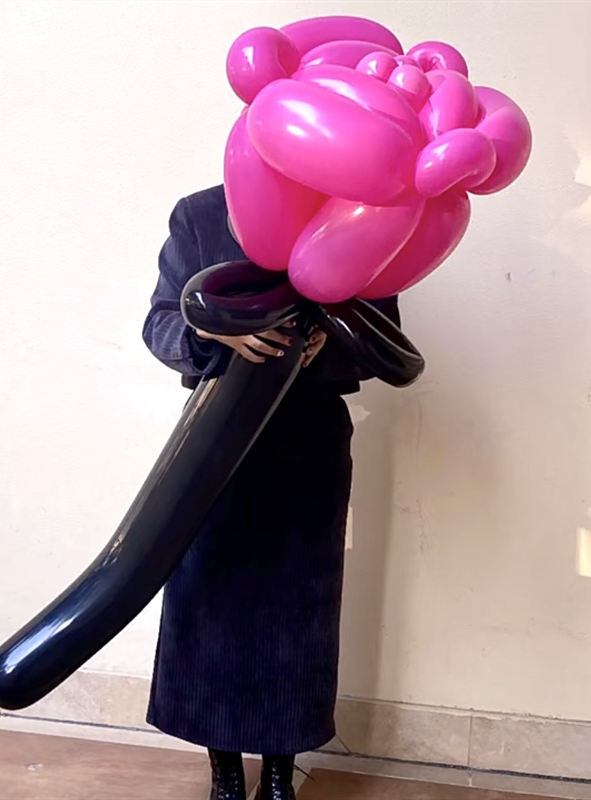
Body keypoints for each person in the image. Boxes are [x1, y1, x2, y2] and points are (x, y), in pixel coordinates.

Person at [142, 185, 400, 800]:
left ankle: (281, 773)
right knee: (208, 594)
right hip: (214, 435)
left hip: (309, 434)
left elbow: (384, 335)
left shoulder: (358, 213)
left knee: (299, 601)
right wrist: (217, 337)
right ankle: (225, 773)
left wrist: (328, 342)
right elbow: (160, 321)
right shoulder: (202, 214)